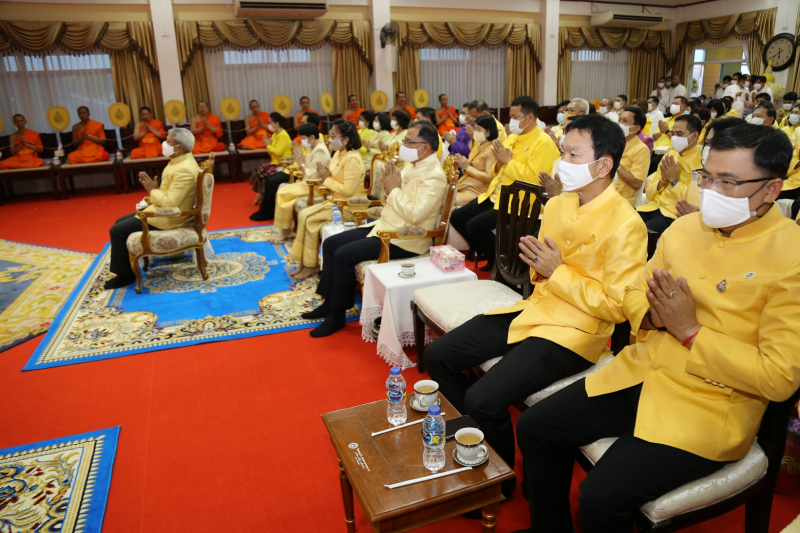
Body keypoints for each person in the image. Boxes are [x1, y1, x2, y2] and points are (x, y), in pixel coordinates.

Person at [513, 123, 800, 533]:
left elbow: (779, 377)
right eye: (706, 178)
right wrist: (652, 316)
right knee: (535, 427)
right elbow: (632, 293)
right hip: (642, 369)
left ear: (771, 189)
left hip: (710, 404)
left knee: (599, 497)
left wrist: (690, 332)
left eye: (729, 182)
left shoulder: (792, 256)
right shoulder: (685, 229)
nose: (710, 192)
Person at [427, 114, 648, 503]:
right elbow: (541, 268)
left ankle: (497, 484)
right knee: (439, 354)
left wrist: (556, 272)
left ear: (604, 165)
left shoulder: (627, 224)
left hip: (576, 332)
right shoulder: (560, 203)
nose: (561, 161)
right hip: (535, 309)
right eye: (562, 151)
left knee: (484, 399)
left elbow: (616, 307)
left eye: (572, 154)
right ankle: (471, 447)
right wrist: (541, 269)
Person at [301, 120, 447, 337]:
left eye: (409, 141)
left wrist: (394, 190)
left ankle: (337, 315)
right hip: (385, 225)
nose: (403, 145)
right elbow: (393, 198)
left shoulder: (433, 176)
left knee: (343, 255)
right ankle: (329, 302)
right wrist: (392, 191)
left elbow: (415, 216)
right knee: (331, 243)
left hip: (404, 239)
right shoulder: (414, 165)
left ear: (425, 146)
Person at [449, 96, 560, 271]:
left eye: (515, 117)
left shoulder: (542, 142)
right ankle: (490, 252)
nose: (511, 121)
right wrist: (500, 163)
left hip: (520, 202)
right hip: (496, 194)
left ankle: (499, 260)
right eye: (511, 117)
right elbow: (495, 170)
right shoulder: (513, 137)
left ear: (529, 118)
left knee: (475, 226)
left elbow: (535, 180)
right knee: (458, 217)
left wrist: (508, 162)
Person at [105, 128, 199, 289]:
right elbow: (170, 195)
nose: (164, 144)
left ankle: (125, 275)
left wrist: (152, 190)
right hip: (164, 211)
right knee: (119, 222)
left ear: (179, 147)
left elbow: (171, 203)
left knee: (116, 230)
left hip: (170, 218)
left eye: (168, 142)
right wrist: (155, 192)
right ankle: (127, 267)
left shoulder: (184, 169)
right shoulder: (179, 161)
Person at [288, 119, 366, 281]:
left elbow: (348, 190)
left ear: (345, 139)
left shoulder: (352, 158)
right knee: (304, 215)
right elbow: (331, 178)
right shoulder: (338, 154)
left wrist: (325, 178)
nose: (329, 139)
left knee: (310, 219)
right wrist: (325, 174)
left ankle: (311, 265)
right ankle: (305, 262)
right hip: (336, 203)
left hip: (350, 207)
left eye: (333, 135)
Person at [637, 115, 703, 232]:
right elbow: (649, 195)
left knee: (643, 233)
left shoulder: (701, 164)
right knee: (623, 225)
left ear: (695, 136)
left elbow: (690, 202)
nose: (674, 138)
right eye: (673, 133)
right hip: (653, 207)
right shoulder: (669, 156)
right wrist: (663, 180)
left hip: (673, 214)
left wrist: (674, 180)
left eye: (680, 134)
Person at [270, 123, 333, 242]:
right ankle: (286, 228)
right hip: (307, 183)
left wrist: (301, 163)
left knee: (283, 193)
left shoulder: (320, 151)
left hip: (316, 187)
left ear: (312, 137)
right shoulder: (314, 148)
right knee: (281, 189)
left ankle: (285, 229)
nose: (302, 141)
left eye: (303, 138)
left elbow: (312, 175)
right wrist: (301, 160)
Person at [248, 112, 293, 208]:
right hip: (274, 162)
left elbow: (278, 153)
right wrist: (268, 145)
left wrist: (267, 145)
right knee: (258, 169)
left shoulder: (283, 135)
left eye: (270, 122)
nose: (268, 125)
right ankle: (261, 194)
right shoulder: (274, 135)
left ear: (277, 124)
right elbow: (271, 153)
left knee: (262, 171)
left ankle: (261, 195)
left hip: (282, 164)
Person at [453, 115, 497, 206]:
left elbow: (490, 178)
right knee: (441, 196)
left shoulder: (492, 150)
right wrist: (464, 164)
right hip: (465, 184)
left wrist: (467, 167)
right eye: (475, 129)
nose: (475, 132)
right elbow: (470, 166)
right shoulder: (477, 146)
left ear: (488, 131)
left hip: (479, 190)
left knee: (449, 201)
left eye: (478, 130)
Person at [615, 106, 651, 206]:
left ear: (636, 128)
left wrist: (616, 163)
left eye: (625, 121)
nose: (620, 124)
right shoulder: (613, 142)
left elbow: (636, 183)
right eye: (620, 120)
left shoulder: (641, 149)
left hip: (621, 199)